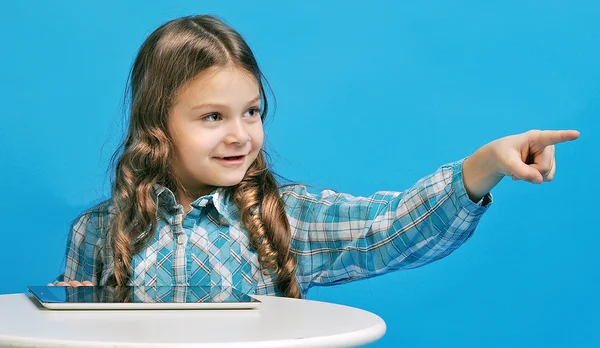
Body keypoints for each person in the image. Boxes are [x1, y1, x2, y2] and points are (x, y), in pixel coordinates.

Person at [49, 14, 580, 299]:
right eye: (213, 117)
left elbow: (388, 228)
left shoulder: (286, 218)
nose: (240, 134)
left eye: (252, 112)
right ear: (157, 124)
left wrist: (483, 165)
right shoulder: (98, 232)